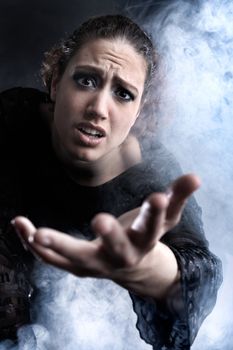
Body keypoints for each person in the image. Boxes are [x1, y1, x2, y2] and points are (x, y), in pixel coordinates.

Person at [0, 14, 222, 349]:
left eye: (123, 93)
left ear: (140, 112)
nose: (98, 108)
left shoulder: (155, 180)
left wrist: (149, 268)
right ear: (56, 82)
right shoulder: (10, 117)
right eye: (86, 81)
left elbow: (201, 271)